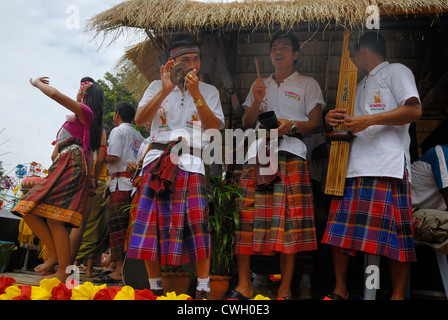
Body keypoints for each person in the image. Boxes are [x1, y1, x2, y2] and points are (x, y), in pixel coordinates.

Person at [322, 31, 422, 300]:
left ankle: (397, 296)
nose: (353, 60)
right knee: (340, 236)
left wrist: (369, 120)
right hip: (352, 168)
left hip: (386, 166)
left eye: (354, 55)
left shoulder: (396, 72)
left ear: (362, 50)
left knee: (396, 240)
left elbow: (414, 111)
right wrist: (331, 119)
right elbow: (348, 126)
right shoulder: (357, 86)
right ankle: (340, 290)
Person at [126, 35, 225, 299]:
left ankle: (203, 288)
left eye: (196, 59)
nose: (192, 65)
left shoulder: (209, 90)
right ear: (172, 63)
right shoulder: (156, 86)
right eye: (185, 61)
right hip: (157, 160)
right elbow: (140, 119)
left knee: (197, 224)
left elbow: (214, 127)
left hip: (192, 161)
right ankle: (155, 288)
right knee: (151, 226)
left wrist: (196, 94)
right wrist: (165, 89)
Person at [228, 31, 325, 300]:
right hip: (257, 155)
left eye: (284, 47)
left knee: (289, 222)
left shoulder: (308, 84)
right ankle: (244, 285)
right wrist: (257, 100)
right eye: (274, 47)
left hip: (292, 154)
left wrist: (291, 125)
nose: (278, 50)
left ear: (295, 55)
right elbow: (247, 123)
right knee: (246, 218)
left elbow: (317, 122)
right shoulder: (260, 84)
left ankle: (284, 289)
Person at [12, 76, 104, 283]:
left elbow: (54, 94)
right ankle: (54, 255)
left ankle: (63, 271)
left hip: (71, 163)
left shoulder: (86, 113)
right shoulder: (76, 119)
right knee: (27, 209)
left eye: (82, 92)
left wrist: (36, 83)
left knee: (55, 219)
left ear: (87, 97)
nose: (78, 94)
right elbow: (57, 151)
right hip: (62, 164)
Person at [96, 102, 144, 283]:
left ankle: (118, 269)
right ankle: (117, 266)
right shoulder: (138, 135)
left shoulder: (117, 131)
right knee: (125, 228)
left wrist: (100, 155)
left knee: (117, 228)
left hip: (119, 184)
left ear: (117, 115)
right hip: (131, 185)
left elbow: (114, 157)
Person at [75, 125, 111, 278]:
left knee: (80, 227)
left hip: (88, 186)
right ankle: (88, 269)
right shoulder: (104, 151)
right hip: (98, 186)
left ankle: (73, 266)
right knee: (94, 230)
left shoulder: (87, 148)